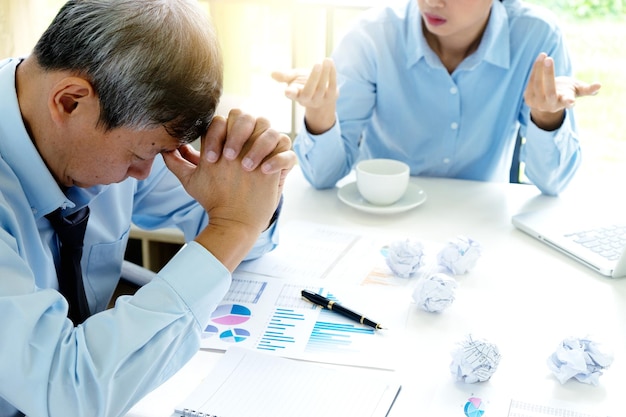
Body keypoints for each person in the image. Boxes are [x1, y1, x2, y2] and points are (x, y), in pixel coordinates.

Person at [0, 0, 296, 416]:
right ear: (69, 102)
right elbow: (68, 391)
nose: (144, 172)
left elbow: (237, 233)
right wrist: (232, 227)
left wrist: (253, 185)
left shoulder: (105, 130)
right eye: (143, 152)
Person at [272, 0, 601, 196]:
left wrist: (547, 118)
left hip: (479, 227)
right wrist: (320, 112)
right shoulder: (372, 36)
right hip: (379, 217)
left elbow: (552, 183)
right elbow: (321, 177)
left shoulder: (537, 37)